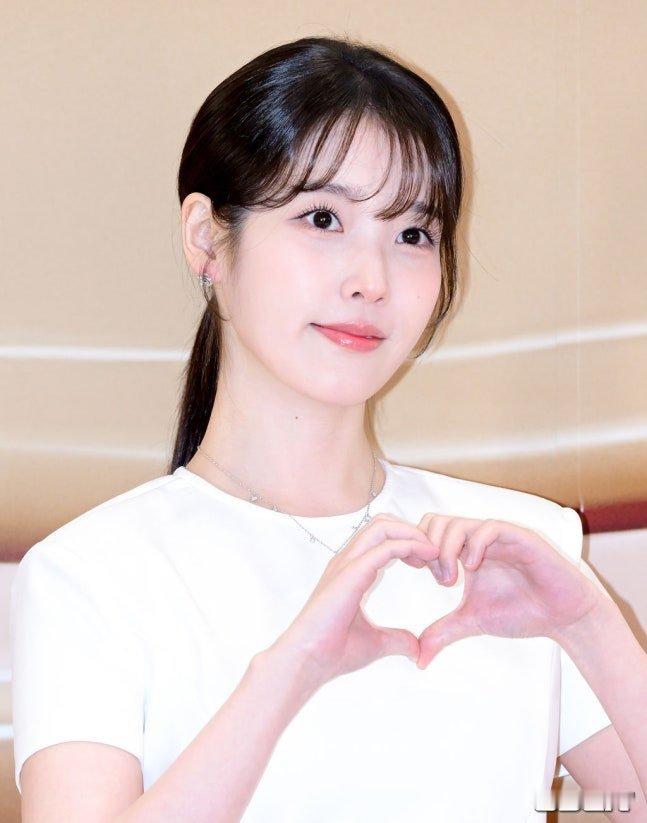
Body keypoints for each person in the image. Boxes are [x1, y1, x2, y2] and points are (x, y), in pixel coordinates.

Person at [10, 35, 647, 823]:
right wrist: (287, 675)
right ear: (207, 237)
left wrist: (587, 623)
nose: (370, 280)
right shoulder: (92, 576)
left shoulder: (515, 552)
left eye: (411, 233)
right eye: (321, 218)